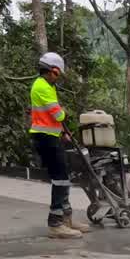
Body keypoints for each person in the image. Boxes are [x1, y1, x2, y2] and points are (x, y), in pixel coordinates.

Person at [29, 51, 89, 239]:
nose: (59, 77)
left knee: (64, 177)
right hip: (45, 139)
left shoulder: (47, 85)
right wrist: (63, 114)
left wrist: (63, 132)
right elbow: (58, 115)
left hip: (51, 137)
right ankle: (55, 224)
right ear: (53, 70)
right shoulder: (42, 87)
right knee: (60, 179)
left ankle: (66, 219)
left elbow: (52, 118)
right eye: (58, 73)